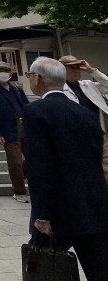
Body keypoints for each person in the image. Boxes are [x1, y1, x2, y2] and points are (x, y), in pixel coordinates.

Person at [24, 56, 108, 281]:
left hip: (58, 210)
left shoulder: (36, 111)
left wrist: (41, 214)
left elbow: (39, 167)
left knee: (44, 268)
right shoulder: (87, 113)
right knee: (99, 270)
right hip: (93, 205)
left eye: (30, 75)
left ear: (38, 78)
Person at [0, 59, 30, 202]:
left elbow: (27, 106)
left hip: (24, 126)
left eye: (5, 70)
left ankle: (22, 178)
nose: (2, 73)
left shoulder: (16, 89)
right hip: (8, 129)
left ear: (10, 73)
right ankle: (19, 190)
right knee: (15, 162)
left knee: (33, 158)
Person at [59, 54, 108, 182]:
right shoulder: (59, 90)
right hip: (77, 137)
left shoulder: (88, 85)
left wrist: (92, 71)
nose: (77, 70)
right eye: (72, 68)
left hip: (99, 134)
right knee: (85, 171)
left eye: (78, 67)